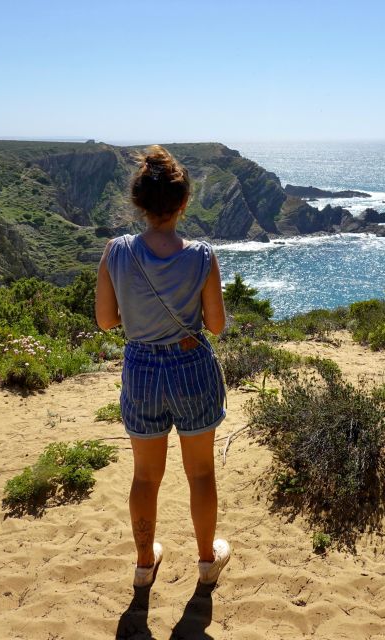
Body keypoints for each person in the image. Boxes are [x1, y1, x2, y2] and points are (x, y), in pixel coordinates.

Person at [95, 145, 231, 588]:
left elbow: (105, 320)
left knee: (145, 476)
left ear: (139, 202)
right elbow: (217, 324)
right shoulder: (202, 256)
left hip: (141, 368)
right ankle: (207, 560)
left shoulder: (116, 252)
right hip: (191, 363)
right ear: (183, 203)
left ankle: (142, 564)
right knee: (202, 473)